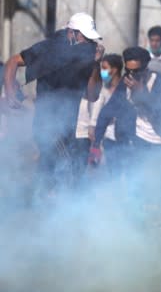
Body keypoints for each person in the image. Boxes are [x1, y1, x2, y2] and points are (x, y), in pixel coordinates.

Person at [2, 12, 103, 191]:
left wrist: (96, 64)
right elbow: (13, 61)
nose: (88, 43)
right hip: (47, 122)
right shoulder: (50, 47)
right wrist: (10, 90)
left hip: (68, 125)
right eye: (85, 37)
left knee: (56, 170)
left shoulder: (88, 59)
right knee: (67, 168)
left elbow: (93, 95)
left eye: (90, 39)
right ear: (72, 33)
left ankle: (43, 204)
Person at [87, 54, 125, 171]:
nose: (102, 72)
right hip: (108, 138)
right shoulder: (103, 90)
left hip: (125, 137)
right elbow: (95, 116)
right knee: (112, 170)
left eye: (104, 68)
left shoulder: (126, 88)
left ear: (114, 70)